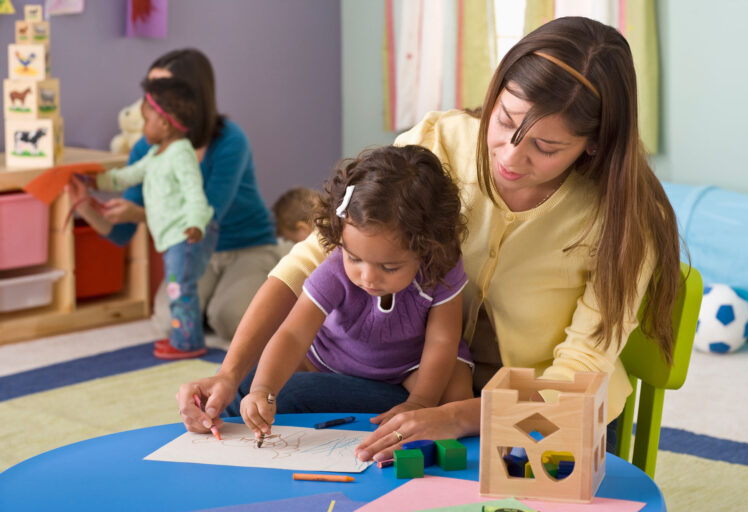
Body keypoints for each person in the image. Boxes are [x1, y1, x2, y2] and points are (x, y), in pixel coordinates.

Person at [176, 16, 682, 466]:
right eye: (503, 121)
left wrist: (458, 417)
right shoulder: (442, 140)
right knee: (251, 392)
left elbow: (577, 374)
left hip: (545, 412)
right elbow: (315, 257)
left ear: (594, 143)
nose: (510, 156)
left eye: (546, 148)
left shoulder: (624, 217)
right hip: (425, 387)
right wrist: (229, 371)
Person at [241, 145, 474, 439]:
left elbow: (443, 339)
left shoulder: (441, 266)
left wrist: (420, 403)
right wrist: (263, 389)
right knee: (253, 384)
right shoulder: (335, 269)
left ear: (427, 248)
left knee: (456, 389)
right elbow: (293, 334)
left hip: (411, 366)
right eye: (354, 258)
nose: (367, 277)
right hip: (332, 359)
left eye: (389, 267)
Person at [94, 48, 282, 343]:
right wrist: (82, 202)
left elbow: (206, 216)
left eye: (162, 91)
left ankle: (271, 275)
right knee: (170, 324)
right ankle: (212, 303)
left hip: (246, 246)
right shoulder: (148, 148)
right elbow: (121, 232)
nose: (151, 101)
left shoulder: (230, 139)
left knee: (232, 319)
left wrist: (137, 214)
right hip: (195, 254)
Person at [71, 77, 217, 359]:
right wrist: (95, 181)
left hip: (187, 233)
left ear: (164, 123)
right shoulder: (155, 154)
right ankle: (182, 337)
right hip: (173, 235)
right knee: (178, 287)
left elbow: (194, 192)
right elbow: (126, 176)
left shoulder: (181, 154)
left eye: (145, 120)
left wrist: (196, 223)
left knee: (180, 288)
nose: (141, 127)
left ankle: (188, 342)